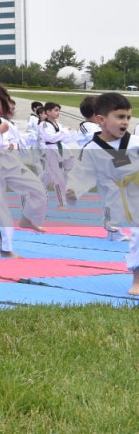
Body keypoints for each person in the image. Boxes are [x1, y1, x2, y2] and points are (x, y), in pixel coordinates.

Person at [67, 92, 139, 294]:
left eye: (128, 117)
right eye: (120, 117)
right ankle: (137, 280)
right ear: (101, 120)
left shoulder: (135, 142)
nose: (125, 122)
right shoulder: (92, 149)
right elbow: (82, 172)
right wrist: (74, 190)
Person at [0, 80, 48, 257]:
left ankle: (28, 218)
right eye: (6, 98)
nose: (9, 103)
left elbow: (7, 140)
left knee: (38, 188)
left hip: (7, 161)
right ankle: (5, 249)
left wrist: (7, 142)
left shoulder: (1, 121)